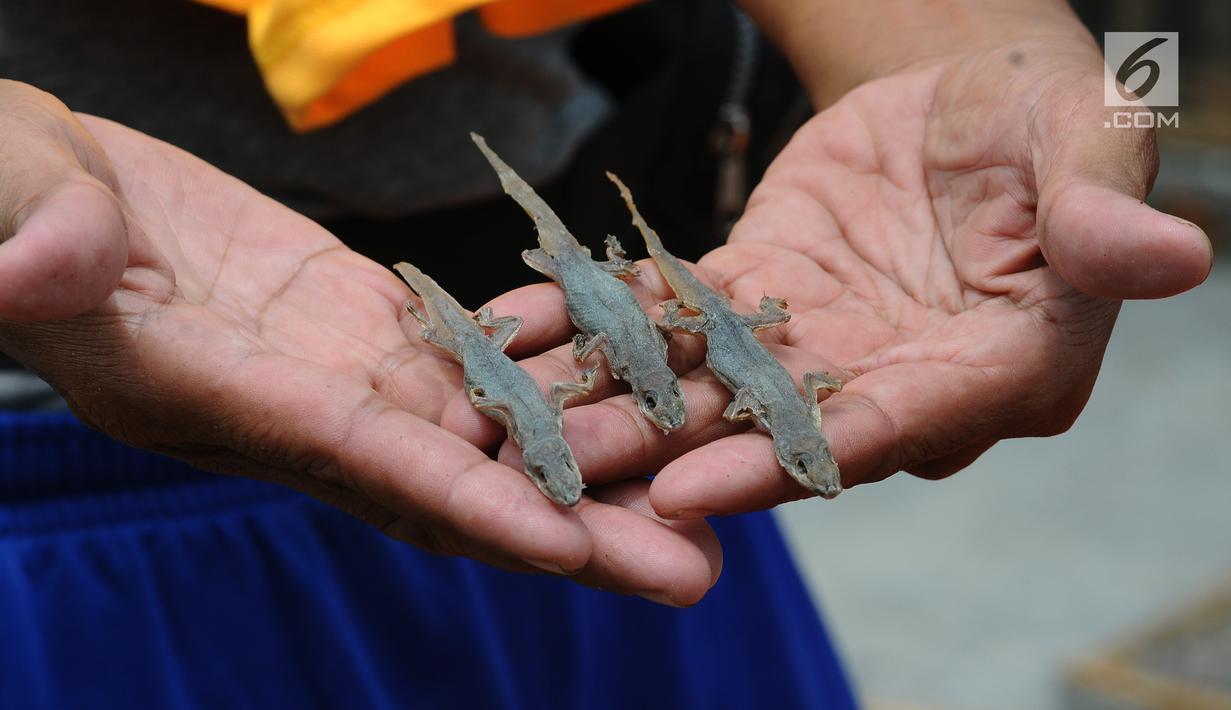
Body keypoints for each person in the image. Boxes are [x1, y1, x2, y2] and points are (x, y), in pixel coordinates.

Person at [0, 0, 1211, 707]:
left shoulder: (685, 409)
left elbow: (1130, 68)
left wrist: (1010, 44)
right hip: (80, 508)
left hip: (605, 467)